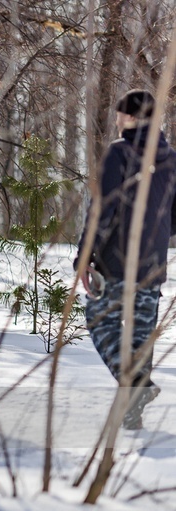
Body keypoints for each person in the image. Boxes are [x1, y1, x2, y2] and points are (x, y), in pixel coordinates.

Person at [76, 89, 176, 430]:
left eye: (121, 114)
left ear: (131, 118)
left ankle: (136, 387)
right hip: (153, 267)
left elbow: (103, 208)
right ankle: (133, 416)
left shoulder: (120, 153)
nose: (117, 119)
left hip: (116, 263)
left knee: (98, 319)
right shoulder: (172, 160)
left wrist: (85, 256)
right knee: (140, 338)